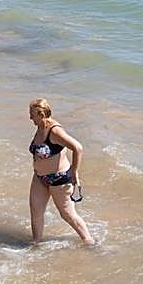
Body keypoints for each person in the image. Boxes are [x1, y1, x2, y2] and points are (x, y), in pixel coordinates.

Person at [28, 98, 94, 244]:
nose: (30, 117)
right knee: (35, 212)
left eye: (32, 114)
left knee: (67, 215)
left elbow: (78, 148)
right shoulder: (40, 126)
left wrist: (74, 171)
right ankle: (36, 244)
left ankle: (89, 242)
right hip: (40, 178)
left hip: (59, 179)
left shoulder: (55, 131)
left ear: (41, 114)